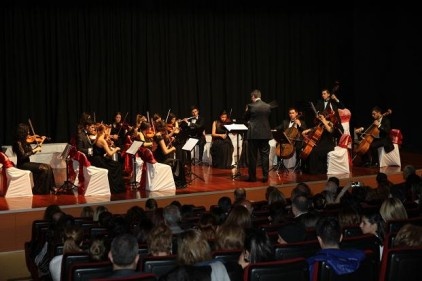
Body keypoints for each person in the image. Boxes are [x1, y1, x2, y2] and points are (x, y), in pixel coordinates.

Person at [12, 123, 57, 194]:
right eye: (27, 131)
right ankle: (39, 190)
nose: (29, 133)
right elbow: (23, 156)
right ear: (23, 132)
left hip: (28, 163)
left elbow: (32, 151)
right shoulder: (18, 143)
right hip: (22, 165)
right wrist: (34, 150)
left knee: (49, 167)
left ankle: (52, 187)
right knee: (45, 169)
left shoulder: (26, 141)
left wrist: (40, 143)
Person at [300, 102, 344, 174]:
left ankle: (316, 171)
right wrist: (307, 130)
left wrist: (324, 121)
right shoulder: (320, 123)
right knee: (309, 150)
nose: (322, 116)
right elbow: (315, 128)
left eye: (323, 115)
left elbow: (330, 130)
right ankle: (306, 169)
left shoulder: (330, 123)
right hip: (320, 143)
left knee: (315, 152)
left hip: (328, 144)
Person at [243, 89, 273, 182]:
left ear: (253, 97)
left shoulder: (251, 106)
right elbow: (267, 118)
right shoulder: (268, 106)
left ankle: (252, 177)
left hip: (254, 134)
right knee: (265, 155)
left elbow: (245, 117)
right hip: (265, 134)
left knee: (252, 156)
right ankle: (265, 177)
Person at [90, 124, 126, 193]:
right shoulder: (102, 140)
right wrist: (116, 149)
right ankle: (116, 187)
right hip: (99, 161)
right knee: (117, 165)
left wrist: (109, 144)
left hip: (96, 159)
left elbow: (103, 151)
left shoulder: (98, 137)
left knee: (115, 164)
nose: (108, 131)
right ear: (103, 131)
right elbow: (110, 153)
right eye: (107, 130)